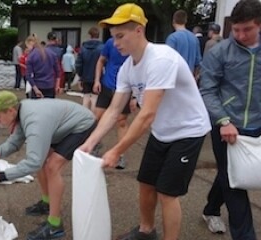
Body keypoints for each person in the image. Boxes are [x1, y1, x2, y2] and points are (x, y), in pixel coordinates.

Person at [80, 3, 211, 240]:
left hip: (188, 131)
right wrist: (90, 142)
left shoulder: (161, 59)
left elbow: (147, 113)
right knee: (146, 183)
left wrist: (117, 150)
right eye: (113, 37)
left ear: (139, 30)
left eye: (121, 36)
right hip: (162, 131)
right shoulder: (127, 68)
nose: (115, 43)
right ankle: (146, 231)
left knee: (167, 193)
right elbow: (113, 110)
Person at [0, 90, 96, 240]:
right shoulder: (21, 111)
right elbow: (15, 141)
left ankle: (55, 226)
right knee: (42, 160)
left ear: (10, 110)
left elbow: (33, 163)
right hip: (61, 125)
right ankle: (47, 203)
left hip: (82, 125)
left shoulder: (34, 121)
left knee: (52, 166)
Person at [200, 0, 261, 239]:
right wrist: (223, 121)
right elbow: (207, 89)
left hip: (256, 124)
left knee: (232, 173)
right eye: (236, 29)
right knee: (235, 184)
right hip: (226, 125)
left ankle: (211, 208)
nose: (240, 35)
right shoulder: (219, 51)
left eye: (247, 29)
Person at [93, 37, 129, 169]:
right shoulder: (110, 42)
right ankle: (95, 145)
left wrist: (135, 95)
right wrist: (97, 80)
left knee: (121, 121)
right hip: (107, 85)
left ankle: (121, 155)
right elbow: (101, 61)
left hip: (125, 87)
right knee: (97, 117)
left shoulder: (133, 44)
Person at [166, 10, 202, 79]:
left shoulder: (172, 38)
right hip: (190, 78)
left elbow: (168, 61)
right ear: (185, 21)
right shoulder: (194, 38)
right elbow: (198, 62)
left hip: (175, 78)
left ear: (173, 21)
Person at [75, 26, 103, 113]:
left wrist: (80, 75)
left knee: (86, 97)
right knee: (95, 98)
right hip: (98, 77)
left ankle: (85, 116)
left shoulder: (83, 48)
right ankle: (94, 117)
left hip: (85, 76)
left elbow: (78, 63)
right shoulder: (102, 48)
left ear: (89, 35)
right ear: (98, 35)